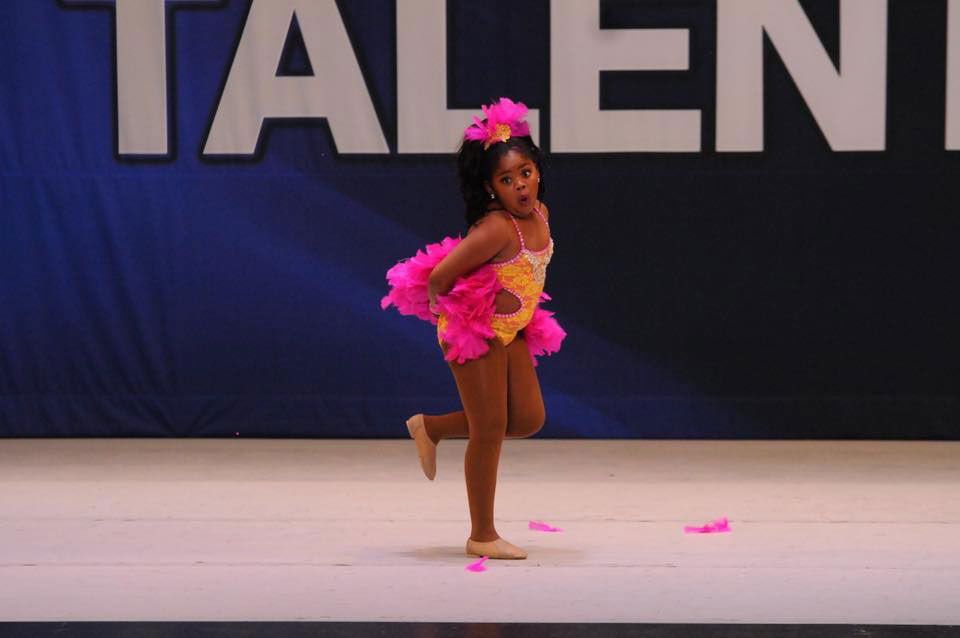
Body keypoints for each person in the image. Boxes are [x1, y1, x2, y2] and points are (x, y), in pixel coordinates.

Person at [381, 97, 565, 560]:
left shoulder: (539, 213)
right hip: (475, 328)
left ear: (537, 170)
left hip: (513, 329)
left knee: (526, 419)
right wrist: (465, 316)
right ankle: (481, 534)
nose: (520, 185)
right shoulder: (497, 229)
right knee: (489, 429)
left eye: (525, 172)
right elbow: (441, 277)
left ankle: (433, 428)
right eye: (507, 180)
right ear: (490, 189)